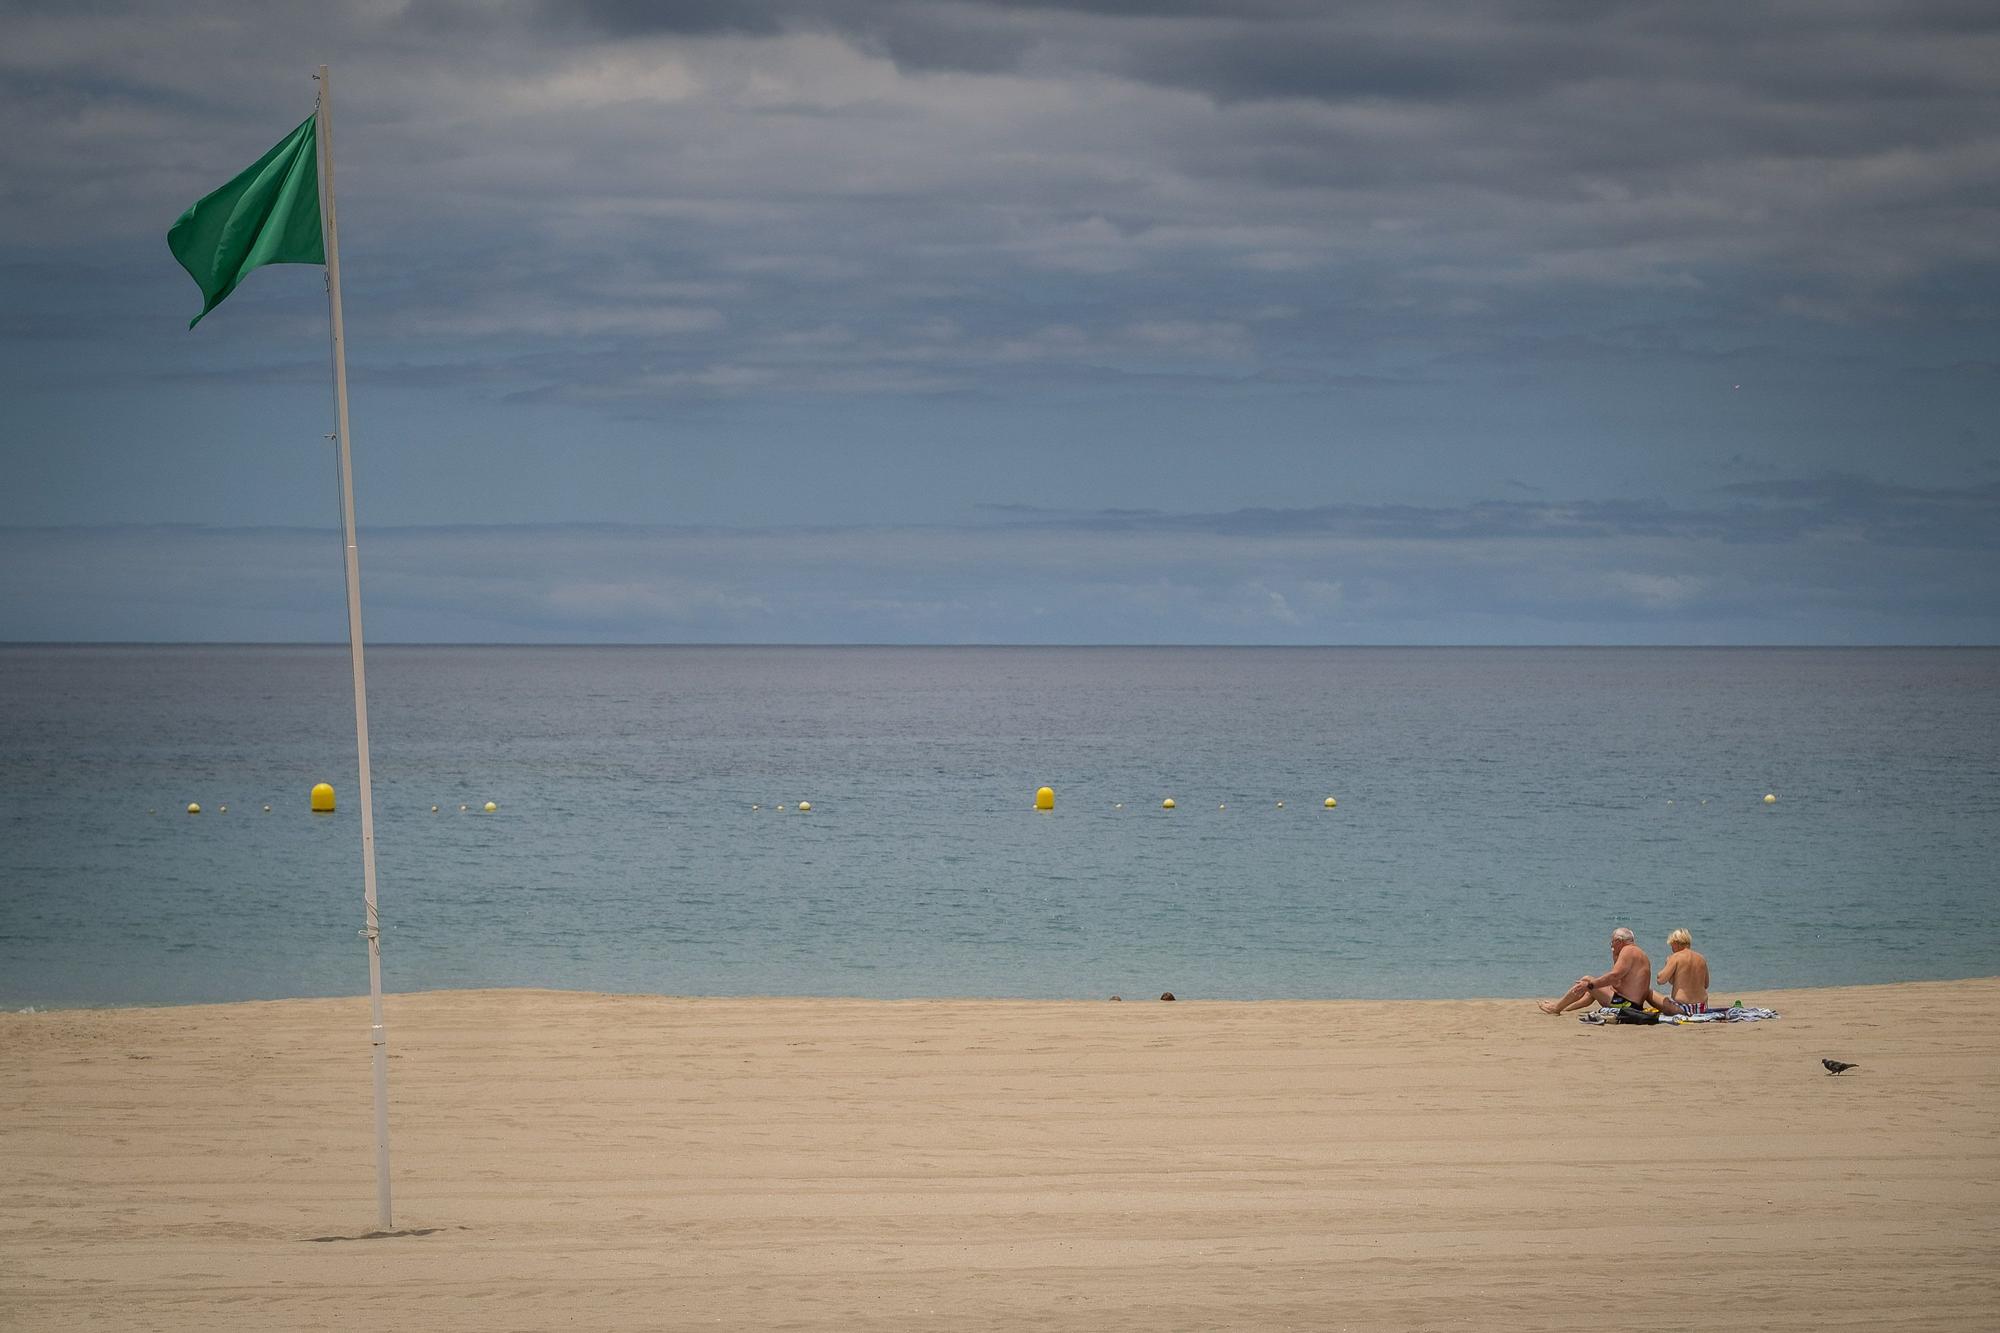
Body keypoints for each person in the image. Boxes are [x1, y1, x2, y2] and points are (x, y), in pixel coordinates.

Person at [1539, 926, 1653, 1015]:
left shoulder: (1627, 950)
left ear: (1619, 941)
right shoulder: (1640, 953)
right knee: (1591, 990)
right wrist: (1593, 986)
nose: (1612, 946)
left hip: (1627, 1005)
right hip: (1634, 1005)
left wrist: (1591, 985)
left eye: (1612, 942)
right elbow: (1618, 983)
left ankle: (1556, 1008)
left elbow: (1614, 976)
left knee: (1587, 980)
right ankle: (1564, 1008)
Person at [1650, 928, 1713, 1014]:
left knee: (1648, 993)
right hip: (1702, 1007)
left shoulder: (1675, 957)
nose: (1671, 948)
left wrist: (1667, 962)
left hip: (1682, 1008)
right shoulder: (1701, 958)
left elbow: (1660, 980)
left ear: (1676, 943)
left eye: (1671, 945)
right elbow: (1706, 985)